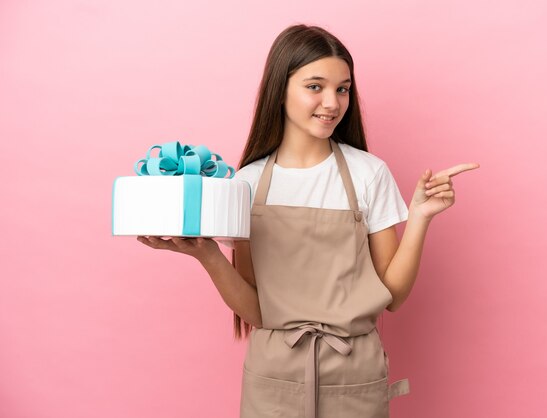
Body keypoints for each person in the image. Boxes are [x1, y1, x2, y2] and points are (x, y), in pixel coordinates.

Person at [138, 23, 479, 418]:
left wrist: (419, 216)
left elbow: (394, 298)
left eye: (343, 88)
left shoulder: (369, 173)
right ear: (279, 90)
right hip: (273, 378)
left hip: (354, 375)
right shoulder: (246, 183)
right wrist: (209, 256)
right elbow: (256, 310)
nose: (332, 103)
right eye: (314, 86)